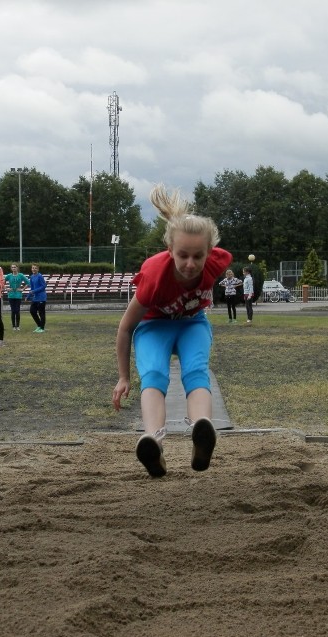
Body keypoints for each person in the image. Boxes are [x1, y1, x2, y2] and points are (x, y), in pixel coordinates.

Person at [113, 185, 232, 478]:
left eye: (198, 256)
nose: (190, 264)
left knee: (195, 371)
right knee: (154, 374)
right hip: (155, 325)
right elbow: (126, 326)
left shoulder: (217, 262)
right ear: (170, 251)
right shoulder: (155, 276)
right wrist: (124, 377)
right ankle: (153, 441)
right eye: (182, 255)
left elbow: (203, 257)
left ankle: (202, 429)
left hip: (192, 322)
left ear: (209, 253)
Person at [4, 263, 30, 331]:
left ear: (17, 268)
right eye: (12, 267)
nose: (13, 268)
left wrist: (22, 289)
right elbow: (2, 281)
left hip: (18, 295)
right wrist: (6, 288)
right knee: (13, 310)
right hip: (11, 295)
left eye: (15, 267)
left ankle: (17, 326)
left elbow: (28, 282)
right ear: (11, 268)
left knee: (17, 310)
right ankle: (13, 326)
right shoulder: (9, 276)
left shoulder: (20, 275)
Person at [27, 263, 47, 333]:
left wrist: (34, 291)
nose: (34, 269)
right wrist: (28, 296)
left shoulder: (40, 276)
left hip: (41, 297)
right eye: (33, 268)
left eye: (35, 268)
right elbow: (32, 288)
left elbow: (44, 286)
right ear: (31, 269)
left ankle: (42, 328)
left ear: (38, 269)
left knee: (41, 313)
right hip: (35, 298)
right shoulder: (32, 277)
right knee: (32, 311)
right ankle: (39, 325)